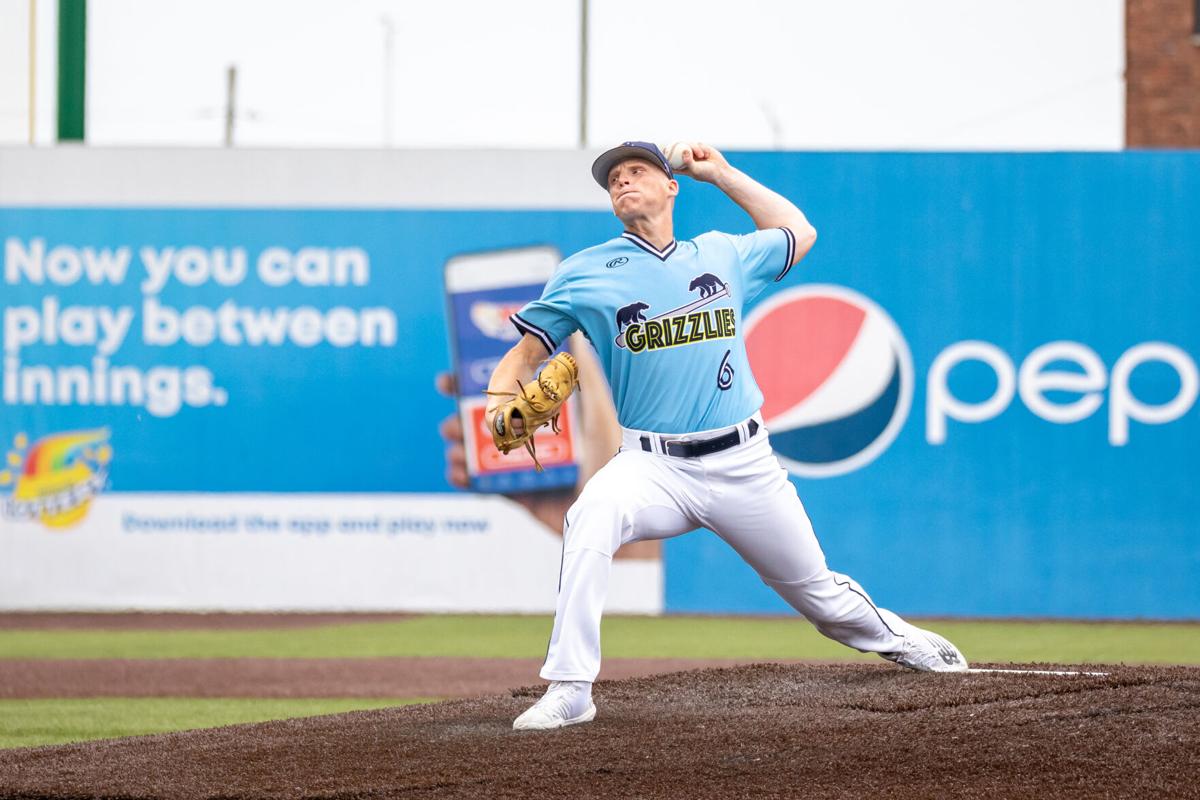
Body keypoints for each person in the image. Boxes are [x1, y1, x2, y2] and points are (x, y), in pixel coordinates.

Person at [486, 141, 967, 732]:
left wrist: (721, 173)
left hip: (745, 463)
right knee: (590, 517)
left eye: (637, 171)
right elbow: (524, 354)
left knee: (820, 598)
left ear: (672, 187)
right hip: (651, 466)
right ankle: (571, 686)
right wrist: (499, 398)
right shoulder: (585, 272)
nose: (622, 181)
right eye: (612, 178)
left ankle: (900, 639)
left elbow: (800, 231)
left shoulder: (722, 254)